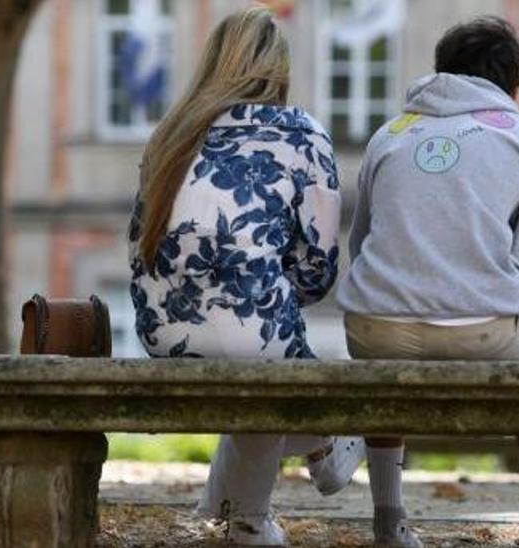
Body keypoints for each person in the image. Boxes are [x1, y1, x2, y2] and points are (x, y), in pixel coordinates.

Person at [127, 8, 362, 546]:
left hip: (163, 333)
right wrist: (259, 285)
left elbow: (143, 247)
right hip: (255, 336)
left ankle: (230, 508)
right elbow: (317, 271)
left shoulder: (170, 134)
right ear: (280, 69)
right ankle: (273, 495)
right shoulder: (301, 134)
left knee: (254, 353)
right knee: (262, 354)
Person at [337, 16, 519, 548]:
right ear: (514, 84)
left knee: (383, 383)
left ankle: (389, 522)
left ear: (440, 73)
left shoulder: (389, 134)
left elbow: (362, 241)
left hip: (377, 329)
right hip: (483, 333)